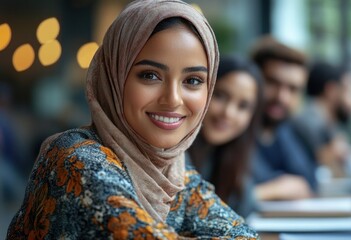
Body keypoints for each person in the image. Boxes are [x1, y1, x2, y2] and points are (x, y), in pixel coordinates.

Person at [6, 1, 259, 239]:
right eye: (150, 75)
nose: (172, 99)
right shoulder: (76, 159)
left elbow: (241, 234)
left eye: (192, 81)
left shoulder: (173, 169)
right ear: (113, 78)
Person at [187, 55, 263, 218]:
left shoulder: (228, 158)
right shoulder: (173, 157)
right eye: (220, 95)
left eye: (243, 106)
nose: (228, 113)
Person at [249, 35, 318, 200]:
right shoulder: (230, 131)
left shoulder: (288, 130)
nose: (282, 97)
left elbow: (308, 182)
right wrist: (274, 190)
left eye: (293, 89)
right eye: (272, 83)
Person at [292, 62, 351, 177]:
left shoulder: (327, 121)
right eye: (348, 91)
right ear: (330, 90)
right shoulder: (309, 120)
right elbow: (320, 161)